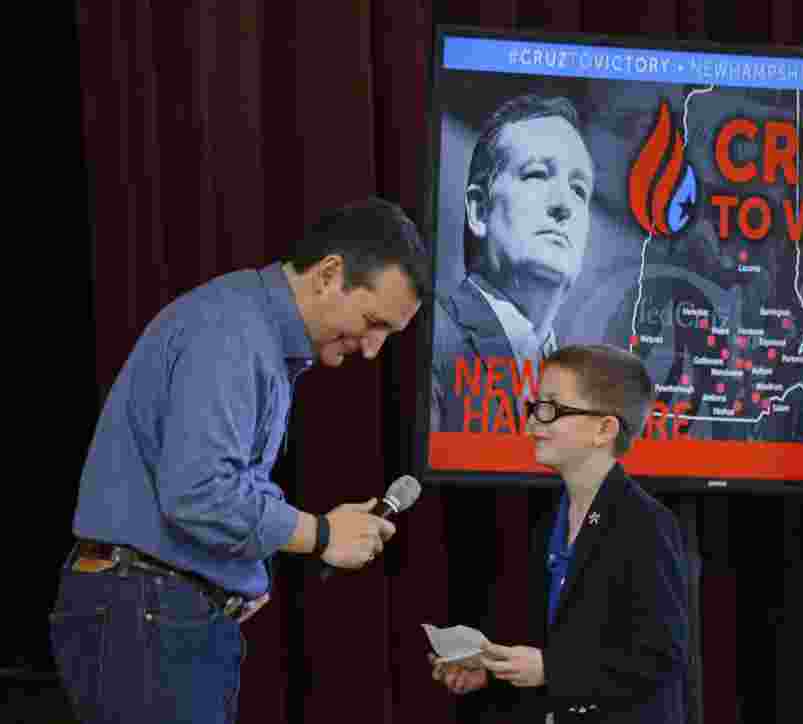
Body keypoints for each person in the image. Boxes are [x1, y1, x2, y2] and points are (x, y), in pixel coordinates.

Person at [49, 197, 429, 724]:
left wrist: (244, 568)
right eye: (372, 322)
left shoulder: (254, 334)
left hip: (154, 613)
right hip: (147, 615)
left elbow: (226, 481)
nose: (372, 349)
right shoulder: (232, 335)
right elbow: (199, 492)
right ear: (329, 274)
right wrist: (320, 534)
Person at [430, 344, 689, 722]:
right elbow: (564, 648)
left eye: (552, 409)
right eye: (535, 407)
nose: (533, 424)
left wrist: (551, 670)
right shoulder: (552, 519)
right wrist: (490, 671)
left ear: (604, 429)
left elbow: (659, 658)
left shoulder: (646, 523)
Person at [431, 94, 595, 433]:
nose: (564, 204)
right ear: (479, 210)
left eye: (579, 190)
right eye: (536, 174)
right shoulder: (428, 339)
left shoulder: (589, 394)